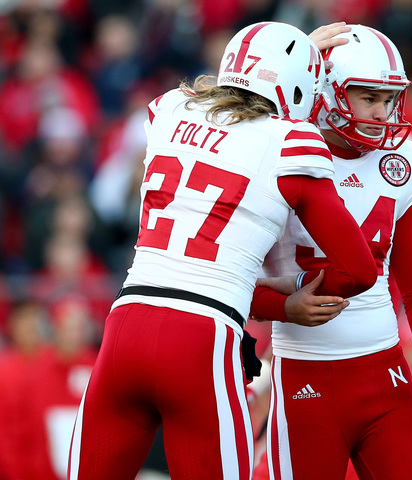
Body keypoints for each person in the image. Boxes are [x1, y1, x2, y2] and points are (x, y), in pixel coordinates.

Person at [66, 21, 377, 480]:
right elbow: (359, 269)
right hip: (201, 339)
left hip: (125, 325)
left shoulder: (168, 110)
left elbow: (228, 118)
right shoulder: (293, 142)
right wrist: (285, 305)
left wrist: (288, 56)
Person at [250, 24, 412, 480]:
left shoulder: (400, 161)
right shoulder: (279, 149)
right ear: (324, 89)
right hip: (305, 376)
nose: (382, 113)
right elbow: (234, 282)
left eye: (389, 99)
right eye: (368, 97)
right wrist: (282, 305)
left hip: (385, 373)